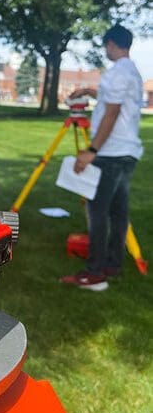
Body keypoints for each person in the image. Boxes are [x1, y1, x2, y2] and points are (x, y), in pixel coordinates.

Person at [60, 24, 143, 291]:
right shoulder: (132, 71)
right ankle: (113, 264)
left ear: (111, 44)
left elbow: (111, 113)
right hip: (127, 151)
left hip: (110, 152)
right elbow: (112, 100)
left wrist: (91, 151)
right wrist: (88, 91)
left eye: (106, 46)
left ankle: (94, 273)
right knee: (118, 212)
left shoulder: (116, 73)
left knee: (97, 211)